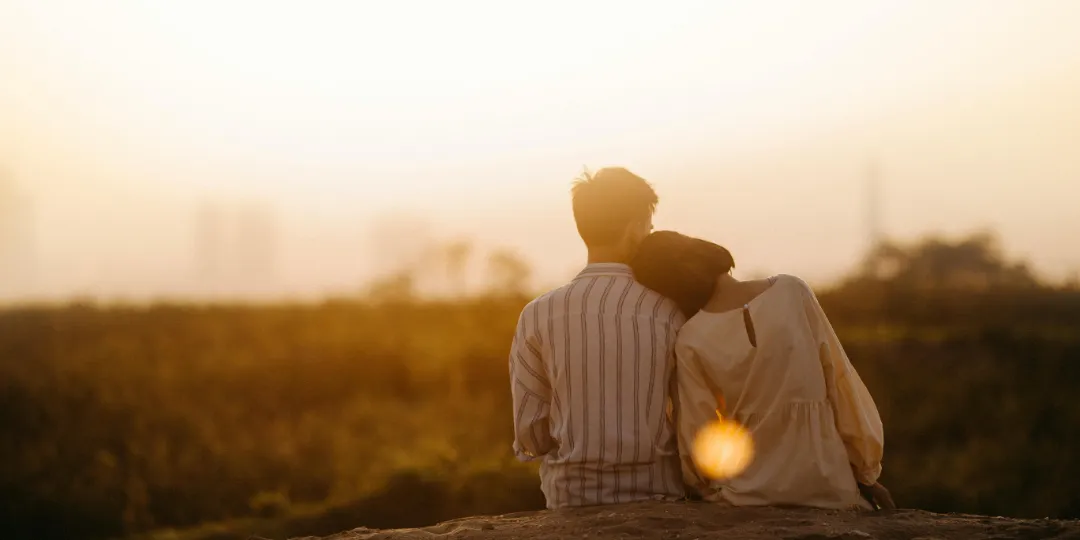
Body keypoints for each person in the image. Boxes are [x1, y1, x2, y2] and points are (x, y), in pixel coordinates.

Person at [629, 231, 895, 511]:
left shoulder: (690, 339)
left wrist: (705, 487)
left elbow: (699, 433)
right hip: (829, 486)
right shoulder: (792, 291)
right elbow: (841, 385)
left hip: (748, 494)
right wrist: (866, 472)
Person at [508, 168, 686, 508]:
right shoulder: (669, 311)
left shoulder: (537, 313)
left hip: (571, 498)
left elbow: (529, 433)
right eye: (648, 226)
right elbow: (689, 417)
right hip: (659, 495)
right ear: (636, 227)